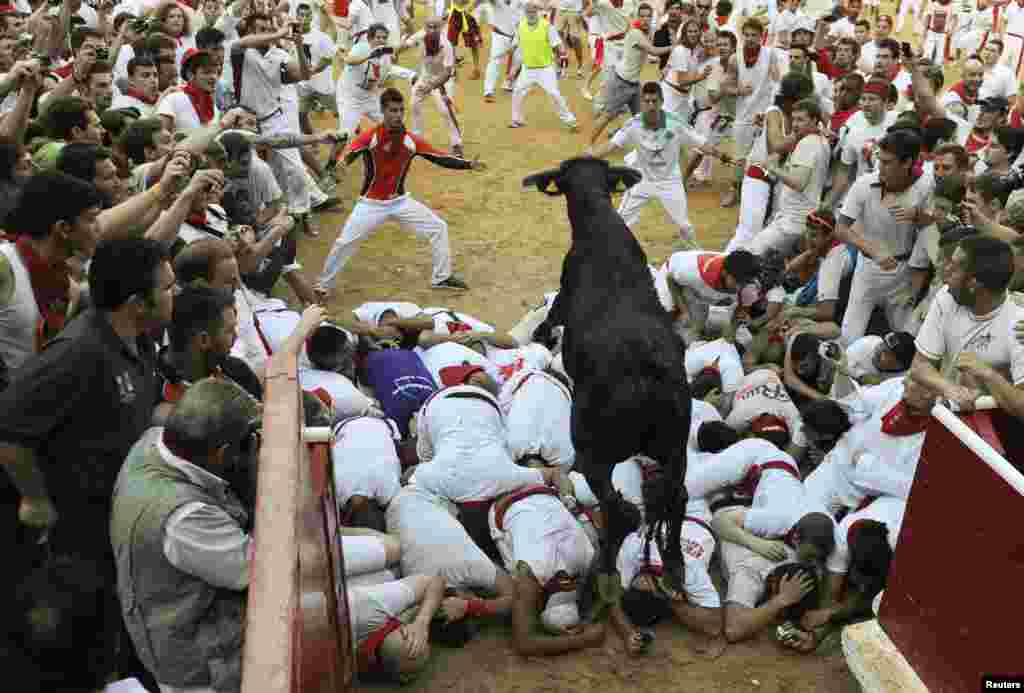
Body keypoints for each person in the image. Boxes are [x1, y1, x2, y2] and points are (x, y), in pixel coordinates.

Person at [110, 377, 261, 693]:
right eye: (251, 439)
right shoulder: (185, 516)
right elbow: (257, 571)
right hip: (198, 668)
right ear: (223, 453)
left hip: (185, 620)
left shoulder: (155, 441)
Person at [316, 88, 481, 300]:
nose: (398, 115)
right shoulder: (371, 136)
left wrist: (468, 165)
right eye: (393, 110)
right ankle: (322, 285)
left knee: (438, 227)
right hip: (371, 204)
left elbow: (439, 157)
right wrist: (341, 164)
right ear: (383, 111)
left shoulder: (411, 140)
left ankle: (441, 277)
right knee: (344, 243)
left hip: (400, 202)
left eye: (401, 110)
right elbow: (352, 151)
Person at [587, 81, 722, 245]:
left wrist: (722, 156)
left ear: (662, 101)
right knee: (620, 220)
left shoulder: (675, 123)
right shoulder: (633, 125)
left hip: (670, 181)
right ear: (641, 103)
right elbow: (610, 146)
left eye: (654, 101)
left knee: (684, 225)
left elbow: (701, 144)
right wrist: (586, 159)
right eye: (647, 101)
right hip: (642, 179)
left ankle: (694, 250)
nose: (651, 106)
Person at [0, 171, 105, 371]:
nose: (99, 228)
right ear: (63, 229)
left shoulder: (66, 286)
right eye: (91, 219)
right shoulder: (5, 264)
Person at [835, 130, 932, 345]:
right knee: (848, 338)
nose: (880, 167)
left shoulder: (926, 186)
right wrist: (872, 250)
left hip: (904, 273)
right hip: (867, 270)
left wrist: (917, 216)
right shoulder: (863, 184)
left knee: (909, 341)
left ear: (907, 162)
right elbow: (840, 229)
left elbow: (932, 232)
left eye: (888, 162)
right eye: (880, 160)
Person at [912, 235, 1024, 412]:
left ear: (974, 284)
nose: (944, 273)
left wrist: (989, 374)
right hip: (947, 416)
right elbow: (920, 365)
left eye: (954, 269)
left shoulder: (1019, 325)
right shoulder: (946, 296)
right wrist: (949, 388)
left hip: (996, 429)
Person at [747, 96, 830, 257]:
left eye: (801, 120)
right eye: (794, 120)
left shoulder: (808, 144)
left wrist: (772, 167)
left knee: (752, 254)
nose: (795, 124)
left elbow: (799, 183)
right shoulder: (819, 140)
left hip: (793, 220)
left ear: (814, 120)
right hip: (797, 218)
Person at [589, 3, 674, 144]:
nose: (645, 19)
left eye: (648, 16)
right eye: (642, 16)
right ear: (637, 17)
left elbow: (659, 29)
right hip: (622, 82)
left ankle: (646, 143)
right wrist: (673, 46)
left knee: (642, 115)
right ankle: (589, 146)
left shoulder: (647, 31)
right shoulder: (636, 33)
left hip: (633, 84)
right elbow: (654, 51)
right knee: (607, 116)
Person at [509, 1, 578, 131]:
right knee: (517, 92)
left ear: (537, 12)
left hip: (545, 69)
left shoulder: (547, 26)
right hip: (527, 69)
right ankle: (516, 119)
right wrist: (513, 69)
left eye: (533, 12)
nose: (530, 14)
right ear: (524, 13)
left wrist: (562, 54)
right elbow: (518, 49)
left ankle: (571, 121)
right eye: (528, 12)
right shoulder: (520, 26)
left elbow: (557, 44)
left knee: (554, 94)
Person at [403, 15, 463, 155]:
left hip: (442, 80)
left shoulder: (446, 44)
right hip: (425, 77)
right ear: (425, 27)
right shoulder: (421, 35)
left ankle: (456, 143)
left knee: (445, 111)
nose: (432, 30)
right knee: (414, 104)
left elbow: (448, 72)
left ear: (441, 27)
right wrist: (394, 52)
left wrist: (432, 86)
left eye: (435, 27)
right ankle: (417, 139)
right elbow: (407, 44)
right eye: (429, 26)